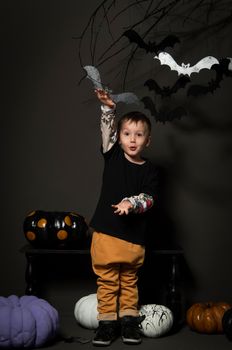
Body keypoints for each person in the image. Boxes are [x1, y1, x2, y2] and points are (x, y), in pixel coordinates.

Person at [90, 88, 158, 346]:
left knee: (129, 281)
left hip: (133, 237)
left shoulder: (150, 170)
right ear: (118, 138)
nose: (132, 140)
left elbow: (150, 198)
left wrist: (132, 202)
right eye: (127, 134)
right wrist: (108, 109)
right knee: (107, 281)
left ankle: (129, 322)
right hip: (107, 233)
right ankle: (107, 324)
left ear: (147, 140)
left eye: (139, 135)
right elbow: (106, 130)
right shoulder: (113, 155)